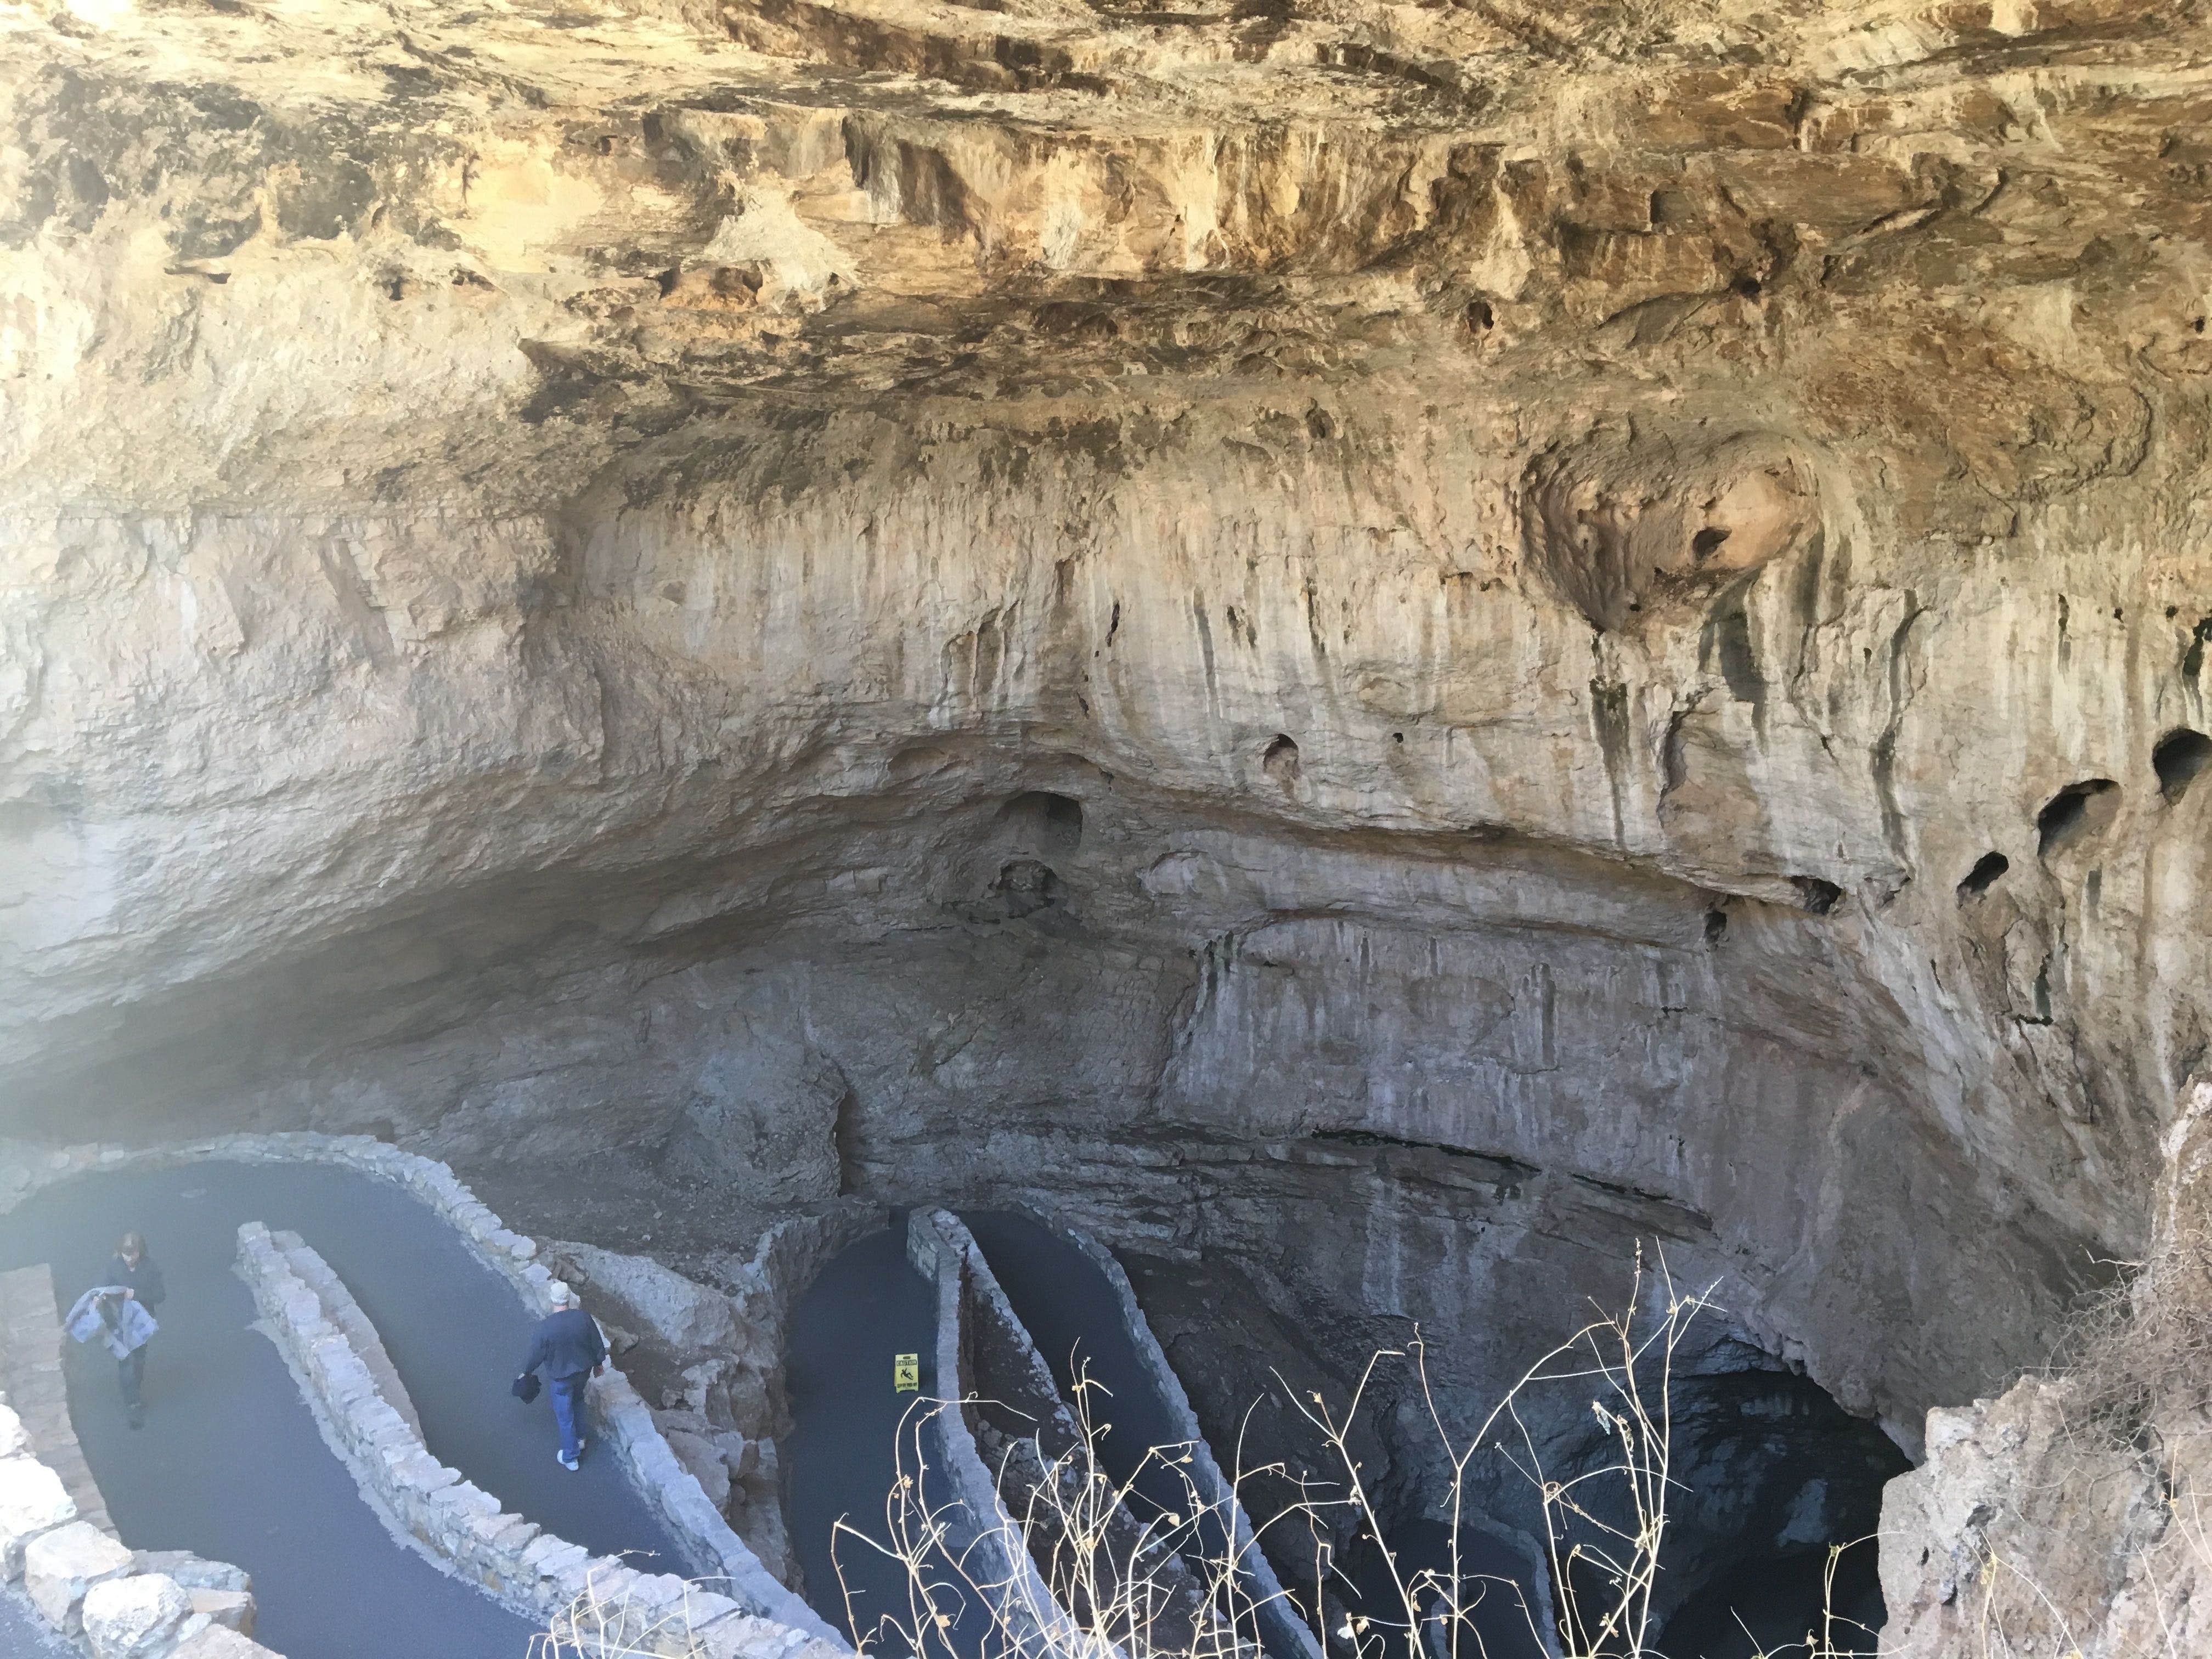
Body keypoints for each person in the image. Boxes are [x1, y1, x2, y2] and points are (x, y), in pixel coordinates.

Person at [518, 1282, 605, 1471]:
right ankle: (581, 1438)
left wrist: (527, 1371)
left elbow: (536, 1355)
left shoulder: (546, 1327)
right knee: (579, 1401)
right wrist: (599, 1364)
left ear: (552, 1300)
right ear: (569, 1298)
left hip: (561, 1377)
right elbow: (596, 1343)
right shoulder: (583, 1318)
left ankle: (571, 1456)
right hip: (582, 1371)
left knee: (565, 1415)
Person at [105, 1234, 166, 1429]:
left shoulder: (150, 1268)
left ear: (141, 1252)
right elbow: (103, 1289)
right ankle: (132, 1403)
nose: (129, 1258)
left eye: (133, 1254)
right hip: (119, 1322)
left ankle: (135, 1392)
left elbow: (160, 1295)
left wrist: (136, 1295)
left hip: (140, 1324)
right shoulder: (114, 1267)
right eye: (126, 1254)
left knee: (139, 1361)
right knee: (125, 1362)